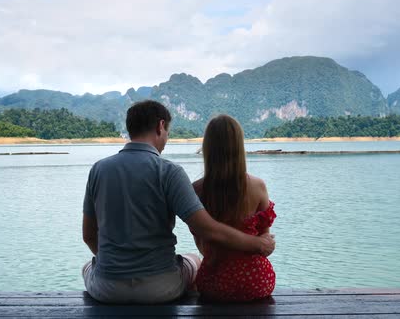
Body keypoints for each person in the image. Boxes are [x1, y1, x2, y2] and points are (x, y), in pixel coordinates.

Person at [82, 100, 275, 304]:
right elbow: (208, 229)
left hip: (107, 289)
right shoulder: (169, 172)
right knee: (194, 260)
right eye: (167, 132)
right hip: (162, 287)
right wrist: (257, 243)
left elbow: (88, 236)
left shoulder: (98, 170)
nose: (166, 138)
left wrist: (118, 266)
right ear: (160, 126)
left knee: (88, 266)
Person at [192, 114, 276, 302]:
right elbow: (265, 242)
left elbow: (200, 244)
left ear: (208, 148)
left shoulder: (196, 191)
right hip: (258, 281)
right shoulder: (259, 186)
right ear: (239, 147)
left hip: (214, 283)